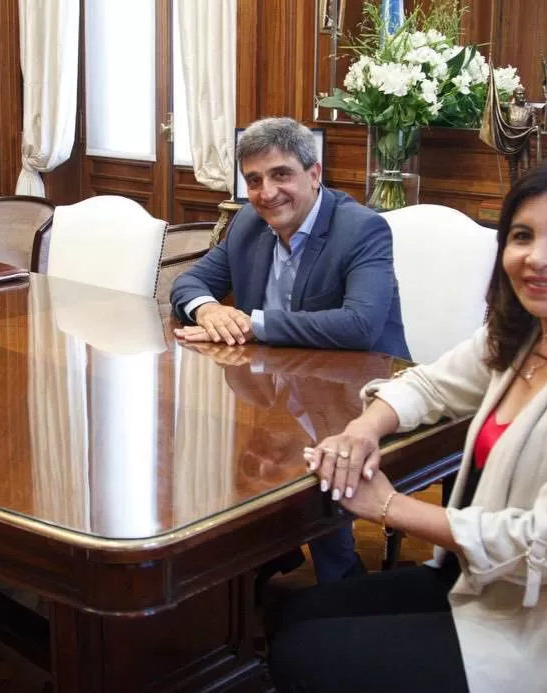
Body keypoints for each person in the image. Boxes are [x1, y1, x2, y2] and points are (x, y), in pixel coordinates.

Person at [267, 156, 547, 693]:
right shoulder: (532, 333)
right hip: (485, 584)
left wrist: (389, 507)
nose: (538, 258)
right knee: (293, 613)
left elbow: (542, 547)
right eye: (522, 236)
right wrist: (363, 429)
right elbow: (430, 384)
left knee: (306, 653)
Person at [171, 116, 409, 583]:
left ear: (314, 174)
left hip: (361, 388)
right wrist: (205, 310)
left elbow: (360, 324)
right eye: (254, 180)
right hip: (279, 381)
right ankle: (256, 562)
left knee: (306, 449)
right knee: (222, 438)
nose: (266, 192)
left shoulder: (361, 229)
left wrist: (252, 323)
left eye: (281, 175)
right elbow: (191, 281)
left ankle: (341, 579)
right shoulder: (246, 222)